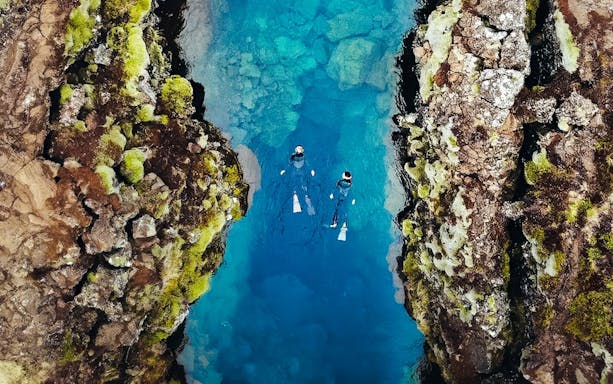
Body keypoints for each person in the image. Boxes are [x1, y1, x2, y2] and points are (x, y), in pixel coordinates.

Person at [280, 145, 316, 215]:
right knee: (295, 182)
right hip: (295, 171)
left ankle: (304, 195)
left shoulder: (303, 156)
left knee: (303, 183)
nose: (300, 153)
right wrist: (284, 170)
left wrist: (311, 170)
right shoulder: (293, 156)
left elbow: (307, 163)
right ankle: (297, 193)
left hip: (299, 171)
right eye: (299, 152)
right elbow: (289, 164)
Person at [329, 171, 355, 240]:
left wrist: (332, 194)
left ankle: (334, 222)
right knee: (345, 211)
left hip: (339, 197)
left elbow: (335, 188)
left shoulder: (339, 182)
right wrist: (353, 199)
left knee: (337, 209)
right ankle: (344, 224)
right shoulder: (351, 184)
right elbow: (352, 192)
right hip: (345, 198)